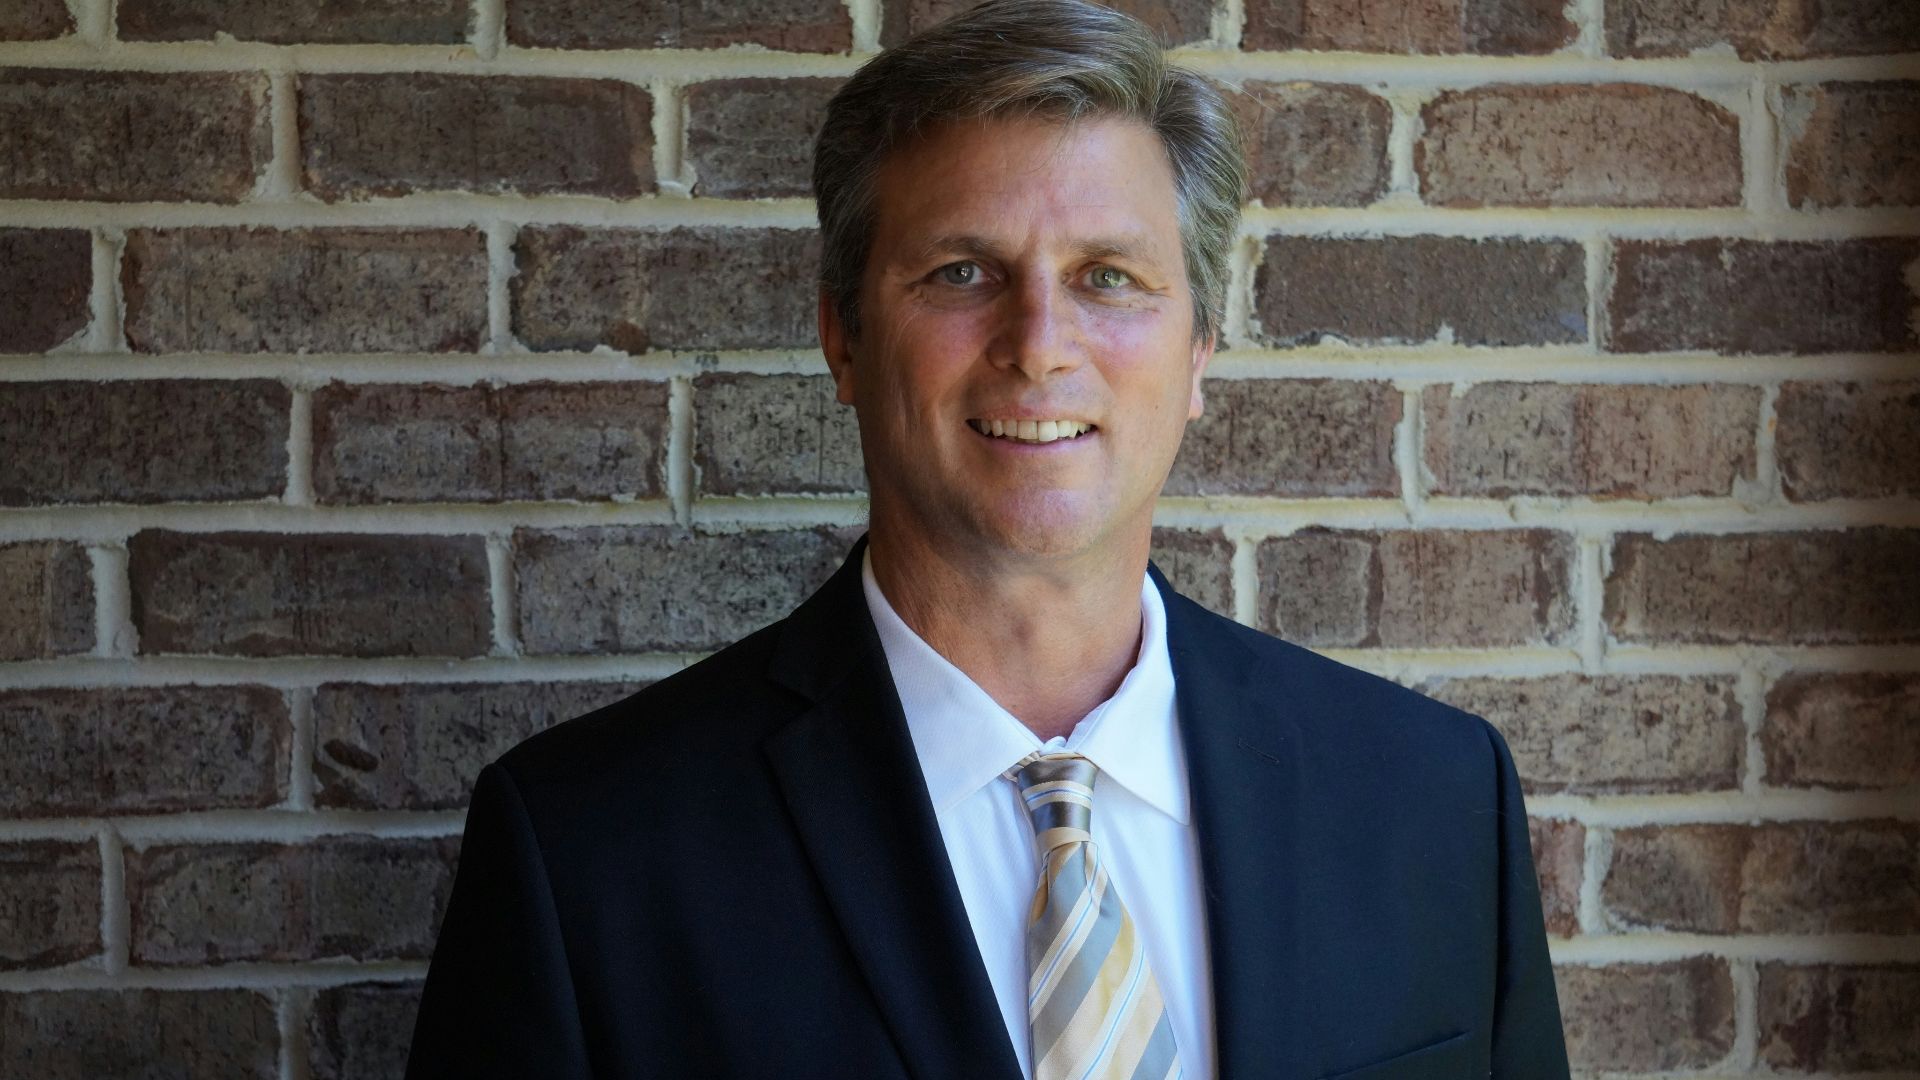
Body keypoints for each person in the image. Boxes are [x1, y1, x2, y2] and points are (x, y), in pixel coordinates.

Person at [405, 2, 1571, 1077]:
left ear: (1201, 350)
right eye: (963, 272)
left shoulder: (1432, 802)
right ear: (844, 339)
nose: (1039, 343)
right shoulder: (589, 856)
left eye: (1109, 278)